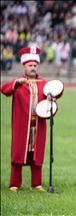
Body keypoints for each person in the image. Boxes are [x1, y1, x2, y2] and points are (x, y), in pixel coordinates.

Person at [1, 47, 56, 192]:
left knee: (37, 153)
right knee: (18, 151)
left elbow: (52, 99)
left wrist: (51, 98)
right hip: (22, 124)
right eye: (30, 65)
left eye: (35, 65)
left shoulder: (42, 82)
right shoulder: (18, 82)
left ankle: (36, 184)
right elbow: (4, 90)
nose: (33, 68)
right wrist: (16, 84)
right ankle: (14, 183)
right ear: (23, 66)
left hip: (39, 123)